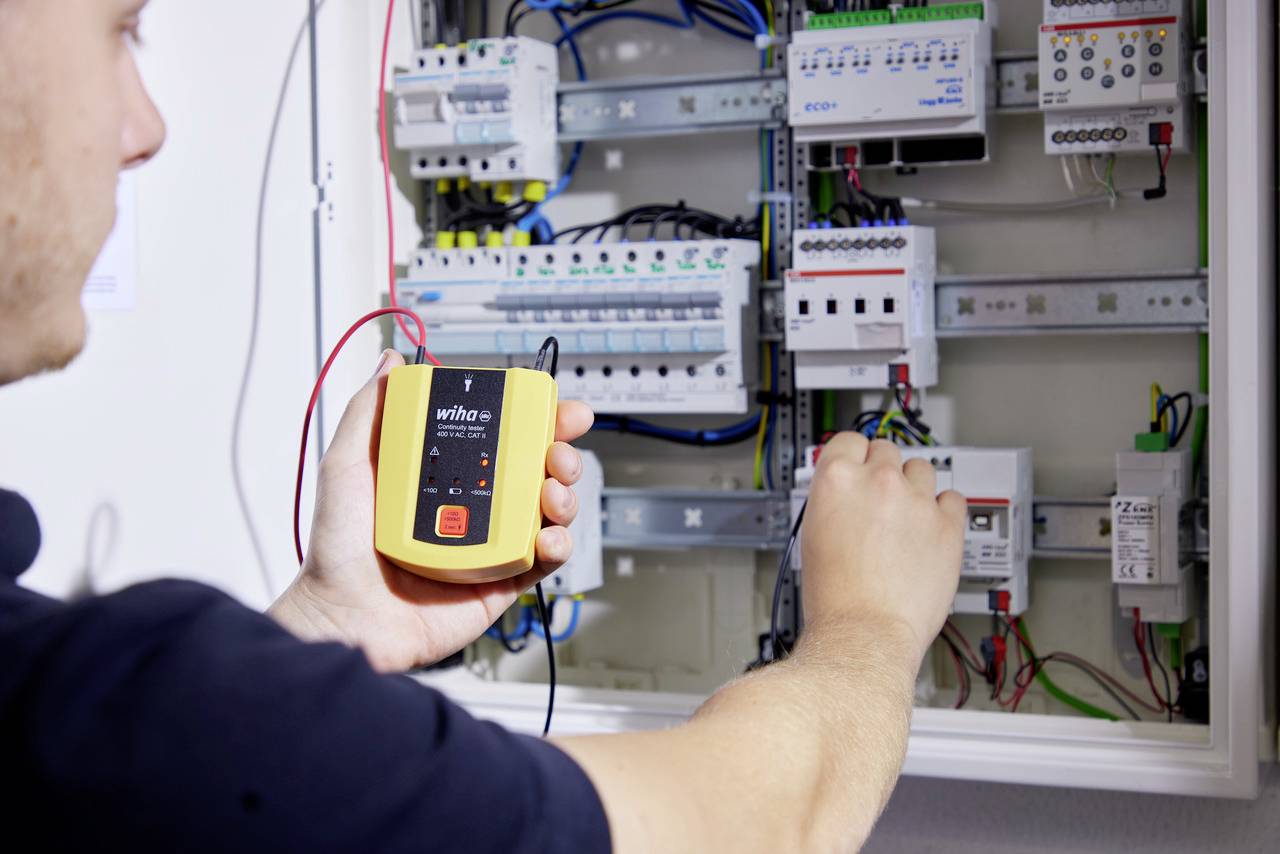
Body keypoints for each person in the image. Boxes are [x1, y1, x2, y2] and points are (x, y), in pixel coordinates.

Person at [0, 1, 966, 850]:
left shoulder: (78, 710)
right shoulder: (127, 713)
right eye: (122, 30)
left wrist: (334, 620)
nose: (148, 128)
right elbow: (766, 827)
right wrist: (869, 625)